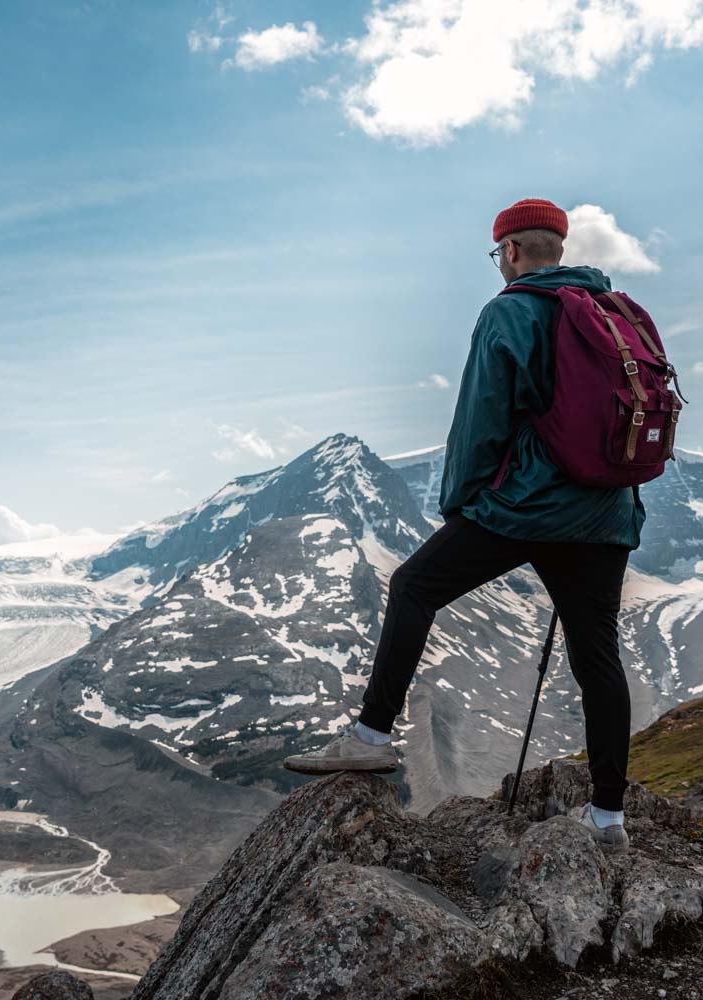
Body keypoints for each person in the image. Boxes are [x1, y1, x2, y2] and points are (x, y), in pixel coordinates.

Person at [282, 198, 644, 852]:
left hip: (529, 506)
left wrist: (462, 507)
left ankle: (369, 738)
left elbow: (481, 420)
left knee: (417, 585)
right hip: (607, 509)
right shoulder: (613, 312)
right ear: (558, 247)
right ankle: (609, 818)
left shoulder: (510, 310)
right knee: (598, 655)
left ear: (509, 251)